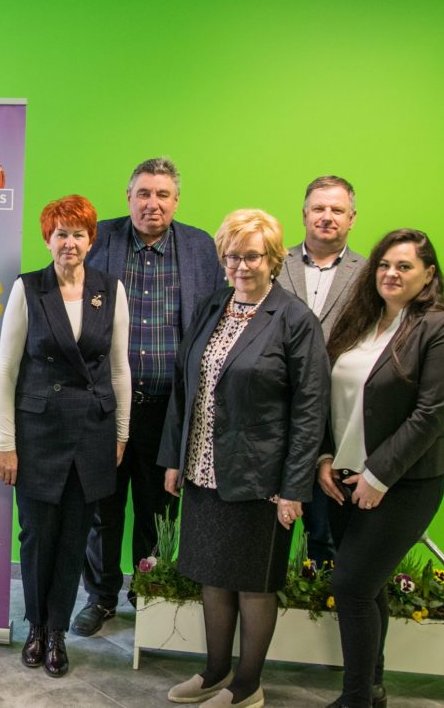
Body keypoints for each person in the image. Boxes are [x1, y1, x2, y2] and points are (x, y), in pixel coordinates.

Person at [158, 209, 329, 708]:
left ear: (273, 258)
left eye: (252, 256)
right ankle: (215, 672)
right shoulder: (213, 306)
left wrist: (294, 488)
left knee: (254, 584)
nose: (241, 266)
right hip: (204, 469)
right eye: (232, 256)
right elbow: (185, 386)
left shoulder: (294, 319)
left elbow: (310, 410)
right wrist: (174, 459)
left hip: (261, 479)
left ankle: (248, 685)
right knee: (214, 576)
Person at [72, 157, 223, 637]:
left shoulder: (200, 248)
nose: (152, 203)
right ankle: (100, 596)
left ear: (176, 201)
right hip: (105, 406)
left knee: (159, 509)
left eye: (162, 194)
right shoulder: (100, 240)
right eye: (143, 193)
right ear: (129, 197)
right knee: (102, 507)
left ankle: (147, 592)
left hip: (169, 408)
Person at [319, 229, 444, 708]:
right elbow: (328, 395)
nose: (391, 273)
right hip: (343, 480)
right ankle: (373, 688)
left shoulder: (439, 327)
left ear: (428, 274)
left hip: (405, 482)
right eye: (384, 264)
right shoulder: (359, 320)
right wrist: (324, 456)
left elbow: (431, 413)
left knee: (351, 586)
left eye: (404, 266)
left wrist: (378, 475)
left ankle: (355, 699)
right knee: (369, 586)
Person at [0, 195, 131, 678]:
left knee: (74, 538)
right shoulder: (29, 288)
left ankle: (57, 632)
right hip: (38, 433)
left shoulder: (110, 290)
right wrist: (6, 442)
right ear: (47, 239)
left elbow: (119, 368)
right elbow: (5, 369)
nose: (69, 242)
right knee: (36, 536)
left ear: (91, 241)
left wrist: (121, 432)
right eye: (61, 233)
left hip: (92, 432)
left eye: (78, 234)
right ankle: (35, 626)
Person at [275, 175, 366, 566]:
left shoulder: (369, 274)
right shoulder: (273, 262)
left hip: (336, 418)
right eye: (319, 208)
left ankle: (326, 596)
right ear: (304, 214)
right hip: (275, 414)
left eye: (337, 210)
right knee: (270, 533)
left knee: (326, 533)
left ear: (352, 218)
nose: (327, 217)